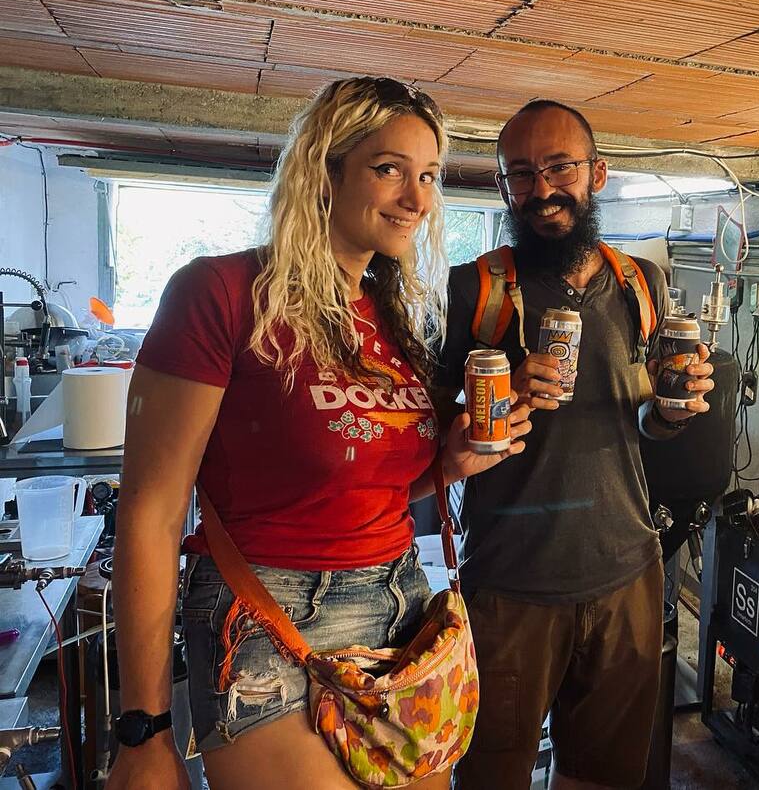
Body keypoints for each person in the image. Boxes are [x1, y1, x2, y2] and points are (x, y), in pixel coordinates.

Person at [107, 77, 530, 790]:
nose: (418, 199)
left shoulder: (392, 318)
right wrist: (144, 730)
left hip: (404, 607)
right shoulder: (223, 294)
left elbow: (362, 486)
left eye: (429, 176)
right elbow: (150, 511)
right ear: (323, 172)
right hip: (271, 619)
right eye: (389, 169)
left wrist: (449, 464)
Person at [436, 100, 715, 789]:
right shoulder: (476, 288)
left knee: (603, 775)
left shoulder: (640, 283)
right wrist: (501, 396)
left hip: (627, 573)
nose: (542, 190)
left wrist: (674, 409)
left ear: (598, 173)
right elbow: (431, 433)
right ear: (503, 184)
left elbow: (643, 421)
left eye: (560, 167)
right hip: (510, 584)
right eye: (521, 173)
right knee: (491, 775)